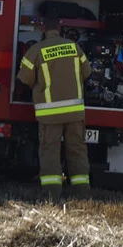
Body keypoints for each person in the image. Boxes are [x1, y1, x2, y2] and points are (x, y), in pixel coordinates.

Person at [17, 13, 92, 199]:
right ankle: (81, 192)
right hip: (75, 112)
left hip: (50, 113)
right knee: (77, 148)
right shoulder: (74, 47)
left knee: (50, 150)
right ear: (60, 30)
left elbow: (24, 79)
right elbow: (87, 73)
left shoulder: (36, 50)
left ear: (43, 29)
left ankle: (52, 192)